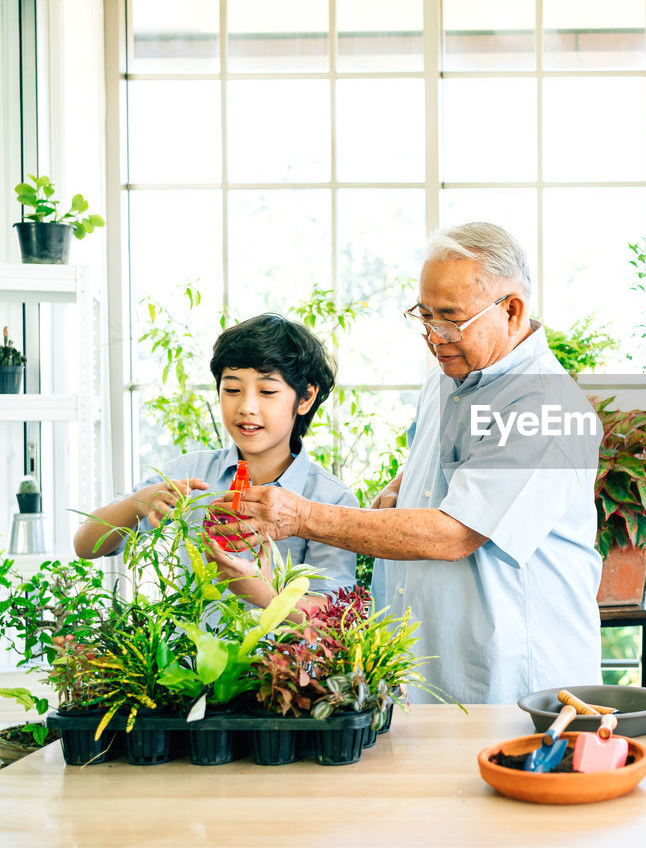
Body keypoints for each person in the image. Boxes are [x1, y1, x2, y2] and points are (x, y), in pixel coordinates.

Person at [213, 222, 603, 705]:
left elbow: (456, 533)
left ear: (512, 310)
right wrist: (405, 485)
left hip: (511, 682)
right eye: (424, 315)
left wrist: (302, 516)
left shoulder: (545, 407)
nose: (433, 335)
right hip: (431, 670)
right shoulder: (451, 376)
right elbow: (451, 463)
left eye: (449, 319)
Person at [74, 314, 359, 612]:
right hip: (185, 659)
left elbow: (333, 617)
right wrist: (138, 503)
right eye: (232, 390)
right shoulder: (190, 474)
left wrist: (263, 595)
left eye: (267, 392)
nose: (247, 407)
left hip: (279, 660)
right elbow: (85, 545)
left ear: (306, 398)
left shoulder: (331, 499)